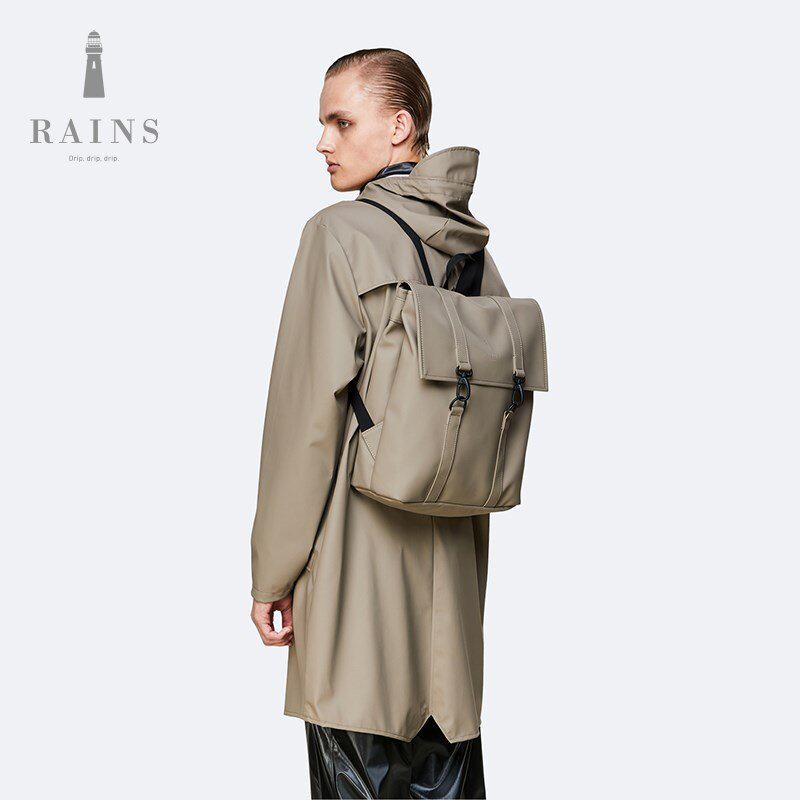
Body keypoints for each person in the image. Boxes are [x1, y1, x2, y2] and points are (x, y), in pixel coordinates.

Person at [249, 48, 510, 799]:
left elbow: (305, 421)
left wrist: (272, 574)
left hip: (354, 586)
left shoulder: (340, 234)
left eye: (341, 122)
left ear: (399, 126)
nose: (322, 142)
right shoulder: (473, 253)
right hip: (451, 608)